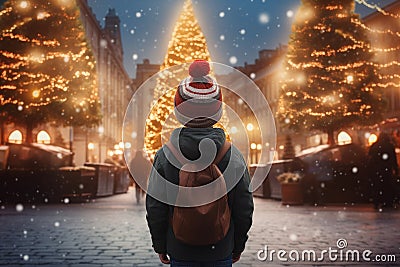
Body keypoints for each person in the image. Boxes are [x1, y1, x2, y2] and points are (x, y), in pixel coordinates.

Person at [146, 60, 254, 266]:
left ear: (179, 111)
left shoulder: (165, 155)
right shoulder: (234, 156)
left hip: (180, 248)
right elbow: (244, 207)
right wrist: (237, 245)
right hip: (221, 249)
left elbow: (155, 207)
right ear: (217, 111)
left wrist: (160, 245)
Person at [368, 132, 399, 210]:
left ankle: (376, 202)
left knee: (377, 186)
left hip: (376, 169)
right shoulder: (389, 146)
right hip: (386, 169)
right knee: (387, 186)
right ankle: (388, 202)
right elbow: (393, 158)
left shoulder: (375, 146)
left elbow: (370, 157)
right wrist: (395, 169)